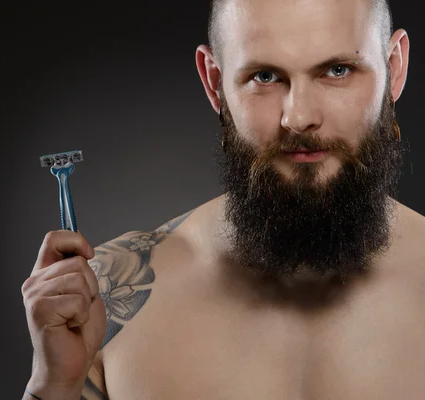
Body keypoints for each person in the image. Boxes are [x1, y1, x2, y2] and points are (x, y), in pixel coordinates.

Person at [22, 0, 425, 398]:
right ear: (214, 81)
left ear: (394, 67)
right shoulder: (111, 294)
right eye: (265, 76)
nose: (299, 117)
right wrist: (54, 385)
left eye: (338, 70)